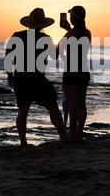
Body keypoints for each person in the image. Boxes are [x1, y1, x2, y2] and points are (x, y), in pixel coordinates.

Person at [5, 8, 67, 147]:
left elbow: (8, 57)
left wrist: (10, 75)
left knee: (23, 111)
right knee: (52, 106)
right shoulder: (45, 38)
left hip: (21, 77)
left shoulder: (17, 35)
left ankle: (23, 141)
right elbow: (55, 56)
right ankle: (63, 137)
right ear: (43, 25)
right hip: (38, 78)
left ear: (29, 23)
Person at [59, 5, 91, 141]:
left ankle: (71, 133)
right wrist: (68, 29)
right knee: (81, 104)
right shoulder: (87, 32)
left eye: (71, 16)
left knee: (72, 103)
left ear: (73, 18)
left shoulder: (71, 33)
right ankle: (79, 134)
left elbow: (58, 48)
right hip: (83, 71)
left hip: (71, 71)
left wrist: (67, 31)